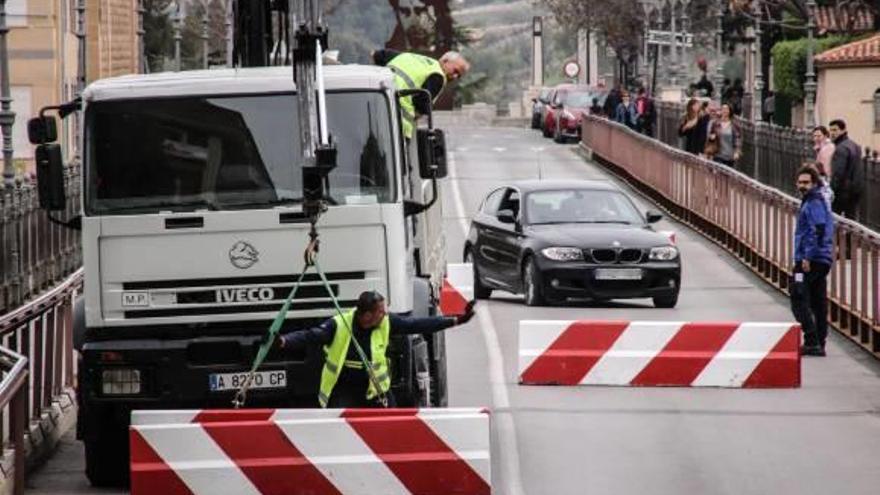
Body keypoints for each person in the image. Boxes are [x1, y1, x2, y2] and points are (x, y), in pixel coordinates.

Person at [271, 290, 476, 407]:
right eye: (380, 311)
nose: (385, 314)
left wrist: (456, 320)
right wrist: (283, 341)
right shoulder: (339, 325)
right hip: (345, 392)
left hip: (377, 392)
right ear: (366, 315)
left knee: (393, 431)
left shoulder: (386, 322)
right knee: (341, 434)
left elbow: (418, 324)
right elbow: (309, 336)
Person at [372, 49, 470, 138]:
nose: (455, 76)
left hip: (375, 109)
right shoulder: (438, 76)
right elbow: (422, 104)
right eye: (455, 71)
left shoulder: (408, 57)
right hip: (398, 125)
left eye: (459, 76)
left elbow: (377, 55)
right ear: (445, 61)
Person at [791, 165, 834, 357]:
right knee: (818, 301)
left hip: (810, 260)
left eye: (806, 182)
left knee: (798, 297)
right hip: (820, 258)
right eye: (800, 182)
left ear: (814, 183)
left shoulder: (814, 202)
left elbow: (817, 230)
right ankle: (819, 342)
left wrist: (807, 257)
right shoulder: (816, 200)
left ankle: (812, 340)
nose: (802, 186)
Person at [828, 119, 864, 219]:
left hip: (843, 190)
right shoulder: (854, 145)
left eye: (835, 130)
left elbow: (838, 172)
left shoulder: (841, 148)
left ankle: (836, 235)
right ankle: (848, 235)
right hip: (855, 188)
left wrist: (832, 189)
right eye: (831, 130)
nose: (832, 133)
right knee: (851, 219)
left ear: (843, 130)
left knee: (834, 218)